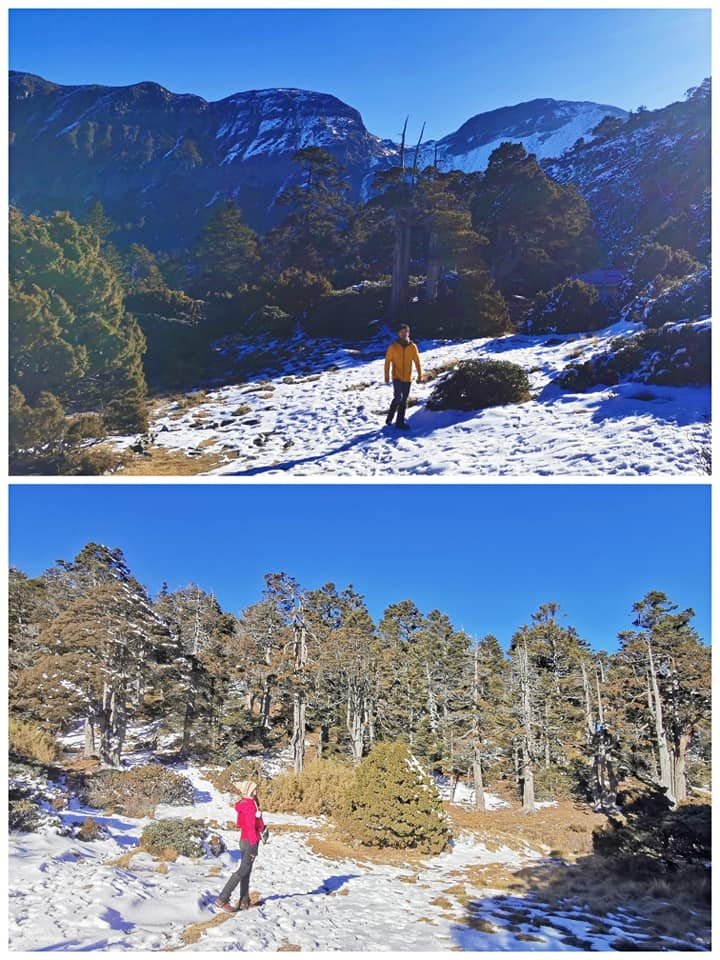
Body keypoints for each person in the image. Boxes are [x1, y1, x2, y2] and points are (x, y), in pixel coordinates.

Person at [216, 780, 268, 912]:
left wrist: (262, 827)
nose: (256, 791)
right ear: (249, 791)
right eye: (254, 789)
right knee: (243, 870)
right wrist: (254, 846)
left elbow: (247, 824)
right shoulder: (250, 805)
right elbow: (251, 827)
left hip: (244, 840)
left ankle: (245, 901)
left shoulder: (246, 803)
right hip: (250, 841)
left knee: (247, 870)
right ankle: (222, 898)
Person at [384, 323, 422, 430]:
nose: (404, 334)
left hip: (407, 378)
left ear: (408, 333)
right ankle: (390, 417)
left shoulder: (413, 347)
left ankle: (399, 422)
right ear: (398, 334)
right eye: (402, 332)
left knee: (404, 400)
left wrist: (420, 375)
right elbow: (387, 362)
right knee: (398, 397)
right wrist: (386, 377)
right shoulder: (393, 347)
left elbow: (417, 361)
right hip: (397, 377)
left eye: (406, 332)